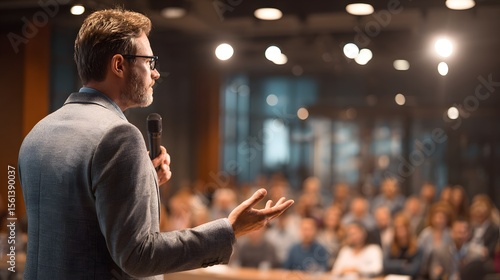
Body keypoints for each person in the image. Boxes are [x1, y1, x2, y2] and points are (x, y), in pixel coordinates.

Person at [18, 9, 294, 279]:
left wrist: (140, 181)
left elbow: (78, 221)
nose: (156, 73)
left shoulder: (38, 133)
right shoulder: (119, 136)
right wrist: (229, 230)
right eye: (149, 61)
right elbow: (138, 256)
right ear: (119, 65)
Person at [383, 213, 423, 279]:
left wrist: (394, 267)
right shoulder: (390, 246)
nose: (399, 230)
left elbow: (413, 270)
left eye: (402, 227)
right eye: (397, 228)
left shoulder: (417, 247)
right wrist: (402, 264)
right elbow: (386, 265)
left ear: (408, 228)